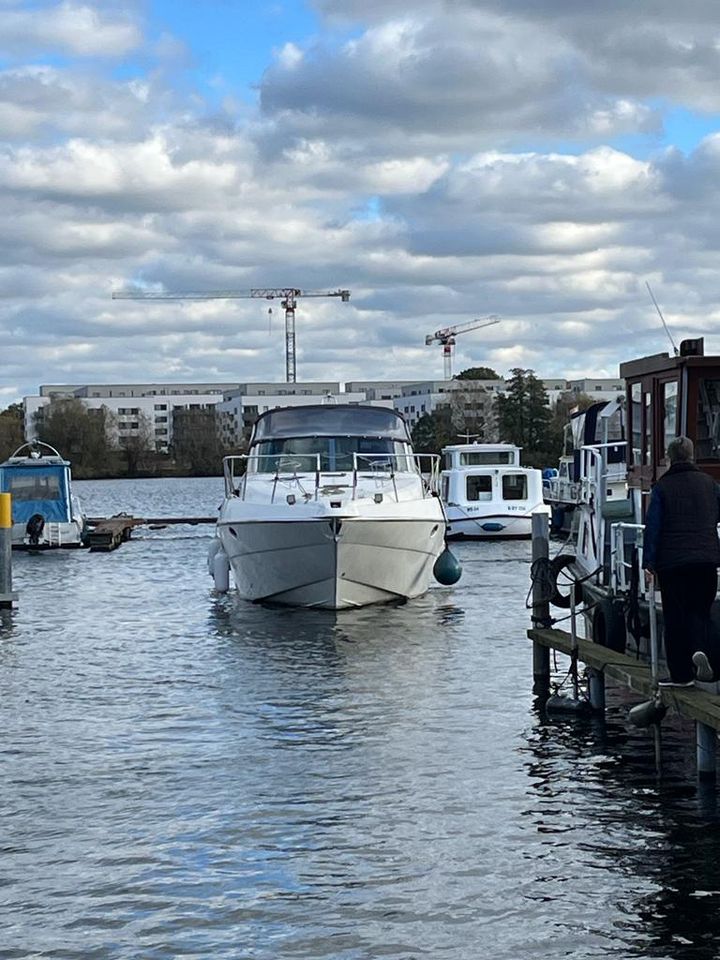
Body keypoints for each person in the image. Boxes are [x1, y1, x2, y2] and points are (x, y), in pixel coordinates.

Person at [643, 435, 720, 686]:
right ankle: (702, 652)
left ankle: (681, 675)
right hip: (707, 560)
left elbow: (652, 528)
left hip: (674, 563)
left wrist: (649, 563)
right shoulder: (710, 484)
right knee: (700, 611)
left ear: (669, 457)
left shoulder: (662, 487)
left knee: (675, 617)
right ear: (691, 456)